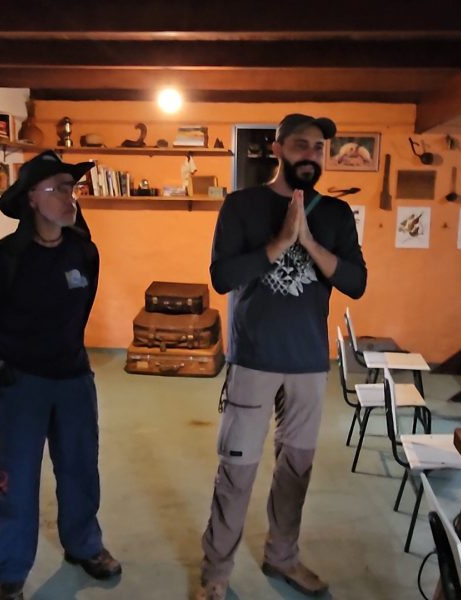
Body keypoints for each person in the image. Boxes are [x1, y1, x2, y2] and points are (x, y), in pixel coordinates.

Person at [197, 114, 367, 600]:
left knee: (296, 471)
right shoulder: (241, 205)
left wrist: (308, 241)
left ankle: (283, 556)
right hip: (253, 358)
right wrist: (279, 243)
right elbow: (222, 278)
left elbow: (356, 282)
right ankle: (216, 572)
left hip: (309, 363)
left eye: (319, 147)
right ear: (277, 149)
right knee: (237, 469)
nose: (311, 154)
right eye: (300, 145)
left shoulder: (335, 214)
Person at [0, 151, 121, 600]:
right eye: (59, 188)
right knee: (17, 481)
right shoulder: (2, 261)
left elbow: (80, 310)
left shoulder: (83, 251)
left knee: (80, 469)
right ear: (32, 198)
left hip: (74, 381)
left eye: (73, 188)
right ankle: (10, 573)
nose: (70, 197)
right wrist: (3, 364)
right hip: (21, 389)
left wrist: (65, 351)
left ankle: (84, 545)